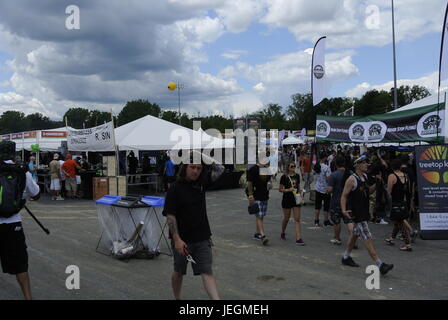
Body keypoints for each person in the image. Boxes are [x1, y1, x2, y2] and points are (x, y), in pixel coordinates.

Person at [162, 153, 223, 300]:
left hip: (202, 238)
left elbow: (220, 168)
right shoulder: (175, 189)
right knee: (179, 271)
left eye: (199, 168)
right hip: (182, 240)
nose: (195, 171)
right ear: (185, 167)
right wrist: (176, 239)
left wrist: (201, 155)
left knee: (207, 271)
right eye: (192, 167)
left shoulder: (201, 184)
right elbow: (170, 216)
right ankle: (178, 298)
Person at [340, 155, 394, 275]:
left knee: (354, 235)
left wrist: (377, 183)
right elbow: (344, 196)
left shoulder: (364, 177)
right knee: (367, 237)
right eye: (364, 163)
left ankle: (345, 257)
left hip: (363, 211)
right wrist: (344, 210)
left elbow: (368, 191)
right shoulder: (351, 179)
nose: (367, 165)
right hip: (357, 214)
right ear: (358, 165)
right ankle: (380, 264)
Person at [0, 141, 40, 300]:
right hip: (13, 224)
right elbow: (36, 194)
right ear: (13, 153)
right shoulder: (22, 172)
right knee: (20, 265)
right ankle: (28, 297)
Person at [385, 159, 413, 251]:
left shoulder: (392, 176)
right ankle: (391, 238)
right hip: (403, 201)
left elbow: (389, 191)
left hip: (395, 202)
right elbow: (407, 189)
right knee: (398, 221)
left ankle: (408, 244)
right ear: (400, 166)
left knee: (400, 223)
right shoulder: (405, 176)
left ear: (392, 167)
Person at [328, 156, 355, 245]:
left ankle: (337, 238)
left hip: (336, 201)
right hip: (349, 201)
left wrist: (327, 189)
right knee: (349, 221)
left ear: (336, 164)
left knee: (336, 221)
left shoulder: (333, 175)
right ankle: (353, 240)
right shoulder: (351, 174)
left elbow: (330, 189)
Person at [279, 161, 305, 245]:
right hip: (287, 199)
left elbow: (298, 187)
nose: (293, 168)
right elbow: (280, 189)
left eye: (294, 166)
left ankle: (298, 238)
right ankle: (283, 232)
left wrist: (301, 196)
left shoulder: (297, 176)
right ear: (288, 168)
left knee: (297, 219)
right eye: (292, 166)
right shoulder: (284, 177)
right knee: (286, 218)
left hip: (296, 199)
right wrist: (288, 190)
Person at [247, 161, 271, 245]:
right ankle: (263, 235)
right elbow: (249, 183)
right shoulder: (253, 169)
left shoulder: (266, 169)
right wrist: (250, 195)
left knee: (261, 215)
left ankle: (257, 233)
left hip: (265, 195)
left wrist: (269, 184)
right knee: (259, 215)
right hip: (255, 195)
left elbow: (269, 180)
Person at [313, 152, 333, 227]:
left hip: (318, 187)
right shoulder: (326, 167)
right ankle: (326, 220)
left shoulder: (316, 166)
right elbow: (328, 178)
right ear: (324, 158)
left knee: (317, 206)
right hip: (325, 189)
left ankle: (316, 221)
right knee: (326, 206)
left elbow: (314, 174)